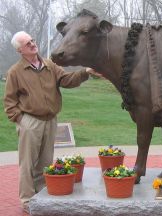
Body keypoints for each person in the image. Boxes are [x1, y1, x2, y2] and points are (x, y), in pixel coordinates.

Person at [4, 31, 92, 213]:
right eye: (27, 43)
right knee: (27, 163)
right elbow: (9, 103)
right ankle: (27, 200)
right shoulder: (15, 72)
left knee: (45, 162)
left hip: (51, 120)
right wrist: (22, 121)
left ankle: (42, 195)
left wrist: (85, 72)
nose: (33, 44)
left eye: (32, 40)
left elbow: (66, 80)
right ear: (20, 50)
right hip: (30, 121)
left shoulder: (49, 65)